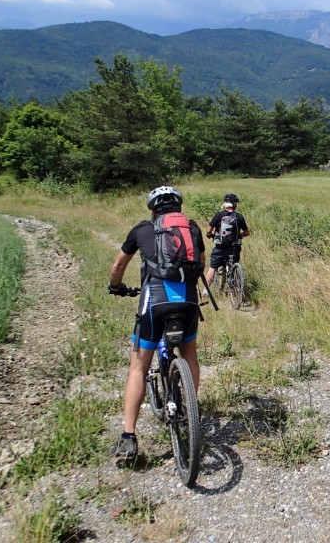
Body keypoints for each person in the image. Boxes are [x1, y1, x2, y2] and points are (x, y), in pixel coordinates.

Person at [107, 186, 205, 459]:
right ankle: (188, 407)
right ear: (179, 209)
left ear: (152, 210)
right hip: (187, 301)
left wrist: (116, 287)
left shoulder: (141, 229)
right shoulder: (193, 230)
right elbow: (201, 263)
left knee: (138, 367)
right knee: (189, 352)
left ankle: (128, 436)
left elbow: (118, 267)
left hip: (155, 301)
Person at [204, 192, 251, 291]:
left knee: (213, 267)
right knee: (234, 263)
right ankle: (234, 284)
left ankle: (206, 291)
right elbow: (247, 233)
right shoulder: (239, 216)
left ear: (225, 203)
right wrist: (239, 235)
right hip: (234, 247)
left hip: (220, 247)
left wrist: (209, 235)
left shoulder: (219, 215)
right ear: (235, 204)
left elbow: (208, 231)